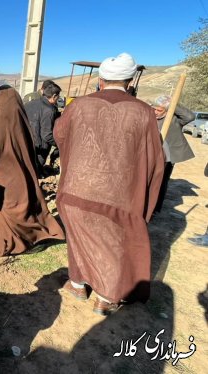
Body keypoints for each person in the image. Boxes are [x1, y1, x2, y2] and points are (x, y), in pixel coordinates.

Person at [54, 53, 165, 315]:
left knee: (78, 238)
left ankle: (78, 284)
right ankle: (104, 297)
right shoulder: (143, 111)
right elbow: (153, 158)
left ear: (101, 80)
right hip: (118, 198)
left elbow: (60, 135)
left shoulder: (78, 105)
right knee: (114, 245)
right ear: (128, 81)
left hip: (75, 190)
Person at [0, 65, 65, 257]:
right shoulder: (7, 94)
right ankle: (4, 244)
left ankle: (30, 241)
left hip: (9, 167)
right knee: (6, 207)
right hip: (16, 160)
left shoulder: (0, 113)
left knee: (12, 208)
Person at [151, 95, 195, 213]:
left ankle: (156, 208)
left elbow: (190, 117)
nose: (155, 112)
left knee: (162, 181)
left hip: (168, 157)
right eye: (154, 109)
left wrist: (173, 104)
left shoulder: (174, 119)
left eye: (159, 110)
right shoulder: (150, 117)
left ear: (167, 110)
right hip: (151, 155)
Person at [24, 82, 62, 177]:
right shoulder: (49, 110)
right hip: (39, 148)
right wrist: (60, 144)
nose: (58, 99)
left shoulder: (29, 104)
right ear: (54, 96)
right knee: (33, 172)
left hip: (25, 142)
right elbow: (46, 135)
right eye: (58, 97)